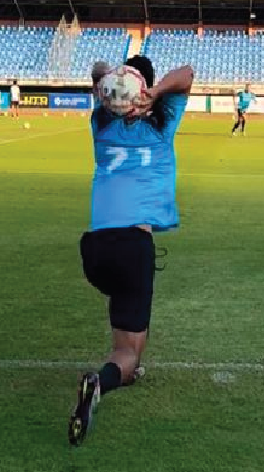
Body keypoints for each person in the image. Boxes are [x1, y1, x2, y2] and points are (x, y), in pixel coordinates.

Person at [69, 56, 194, 447]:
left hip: (94, 249)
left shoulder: (101, 123)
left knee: (122, 300)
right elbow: (187, 74)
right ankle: (105, 378)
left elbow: (96, 68)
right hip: (133, 247)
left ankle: (125, 367)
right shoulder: (160, 123)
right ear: (146, 88)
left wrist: (112, 82)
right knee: (128, 353)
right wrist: (153, 93)